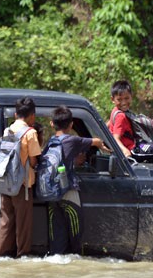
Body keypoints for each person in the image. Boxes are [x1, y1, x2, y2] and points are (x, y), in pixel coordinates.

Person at [47, 106, 110, 255]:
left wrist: (75, 162)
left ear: (51, 124)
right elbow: (96, 141)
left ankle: (59, 258)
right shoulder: (73, 140)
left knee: (57, 233)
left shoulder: (51, 142)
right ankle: (77, 257)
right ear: (71, 125)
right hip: (68, 191)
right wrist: (103, 146)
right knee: (76, 232)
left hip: (51, 192)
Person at [0, 97, 41, 258]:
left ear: (15, 114)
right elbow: (34, 159)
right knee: (23, 224)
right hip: (22, 185)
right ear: (32, 116)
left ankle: (3, 256)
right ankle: (22, 256)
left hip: (5, 182)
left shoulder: (7, 130)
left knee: (5, 222)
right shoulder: (30, 133)